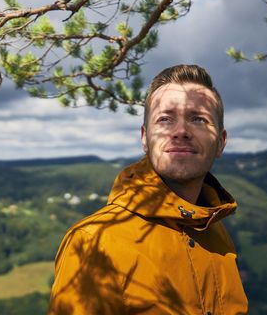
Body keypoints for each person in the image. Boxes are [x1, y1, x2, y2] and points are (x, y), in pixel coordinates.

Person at [48, 65, 248, 314]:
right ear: (145, 138)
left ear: (221, 142)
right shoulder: (94, 242)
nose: (181, 132)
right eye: (165, 119)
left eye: (198, 119)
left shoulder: (214, 231)